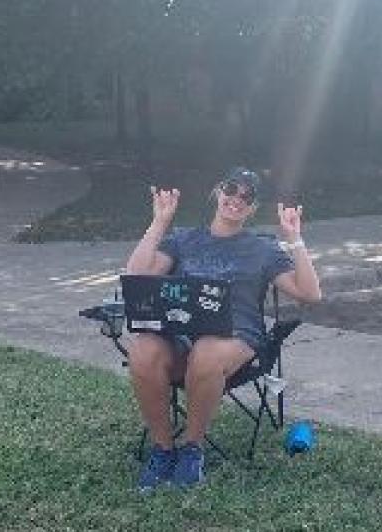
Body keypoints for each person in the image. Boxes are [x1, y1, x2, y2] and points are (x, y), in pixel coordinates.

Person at [124, 167, 322, 491]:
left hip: (235, 339)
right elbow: (136, 276)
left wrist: (295, 239)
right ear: (218, 191)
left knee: (207, 351)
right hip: (180, 336)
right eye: (231, 189)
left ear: (253, 208)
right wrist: (159, 223)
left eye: (248, 196)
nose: (237, 199)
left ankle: (192, 450)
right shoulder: (183, 240)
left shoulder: (262, 249)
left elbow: (310, 294)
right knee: (143, 350)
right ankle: (163, 450)